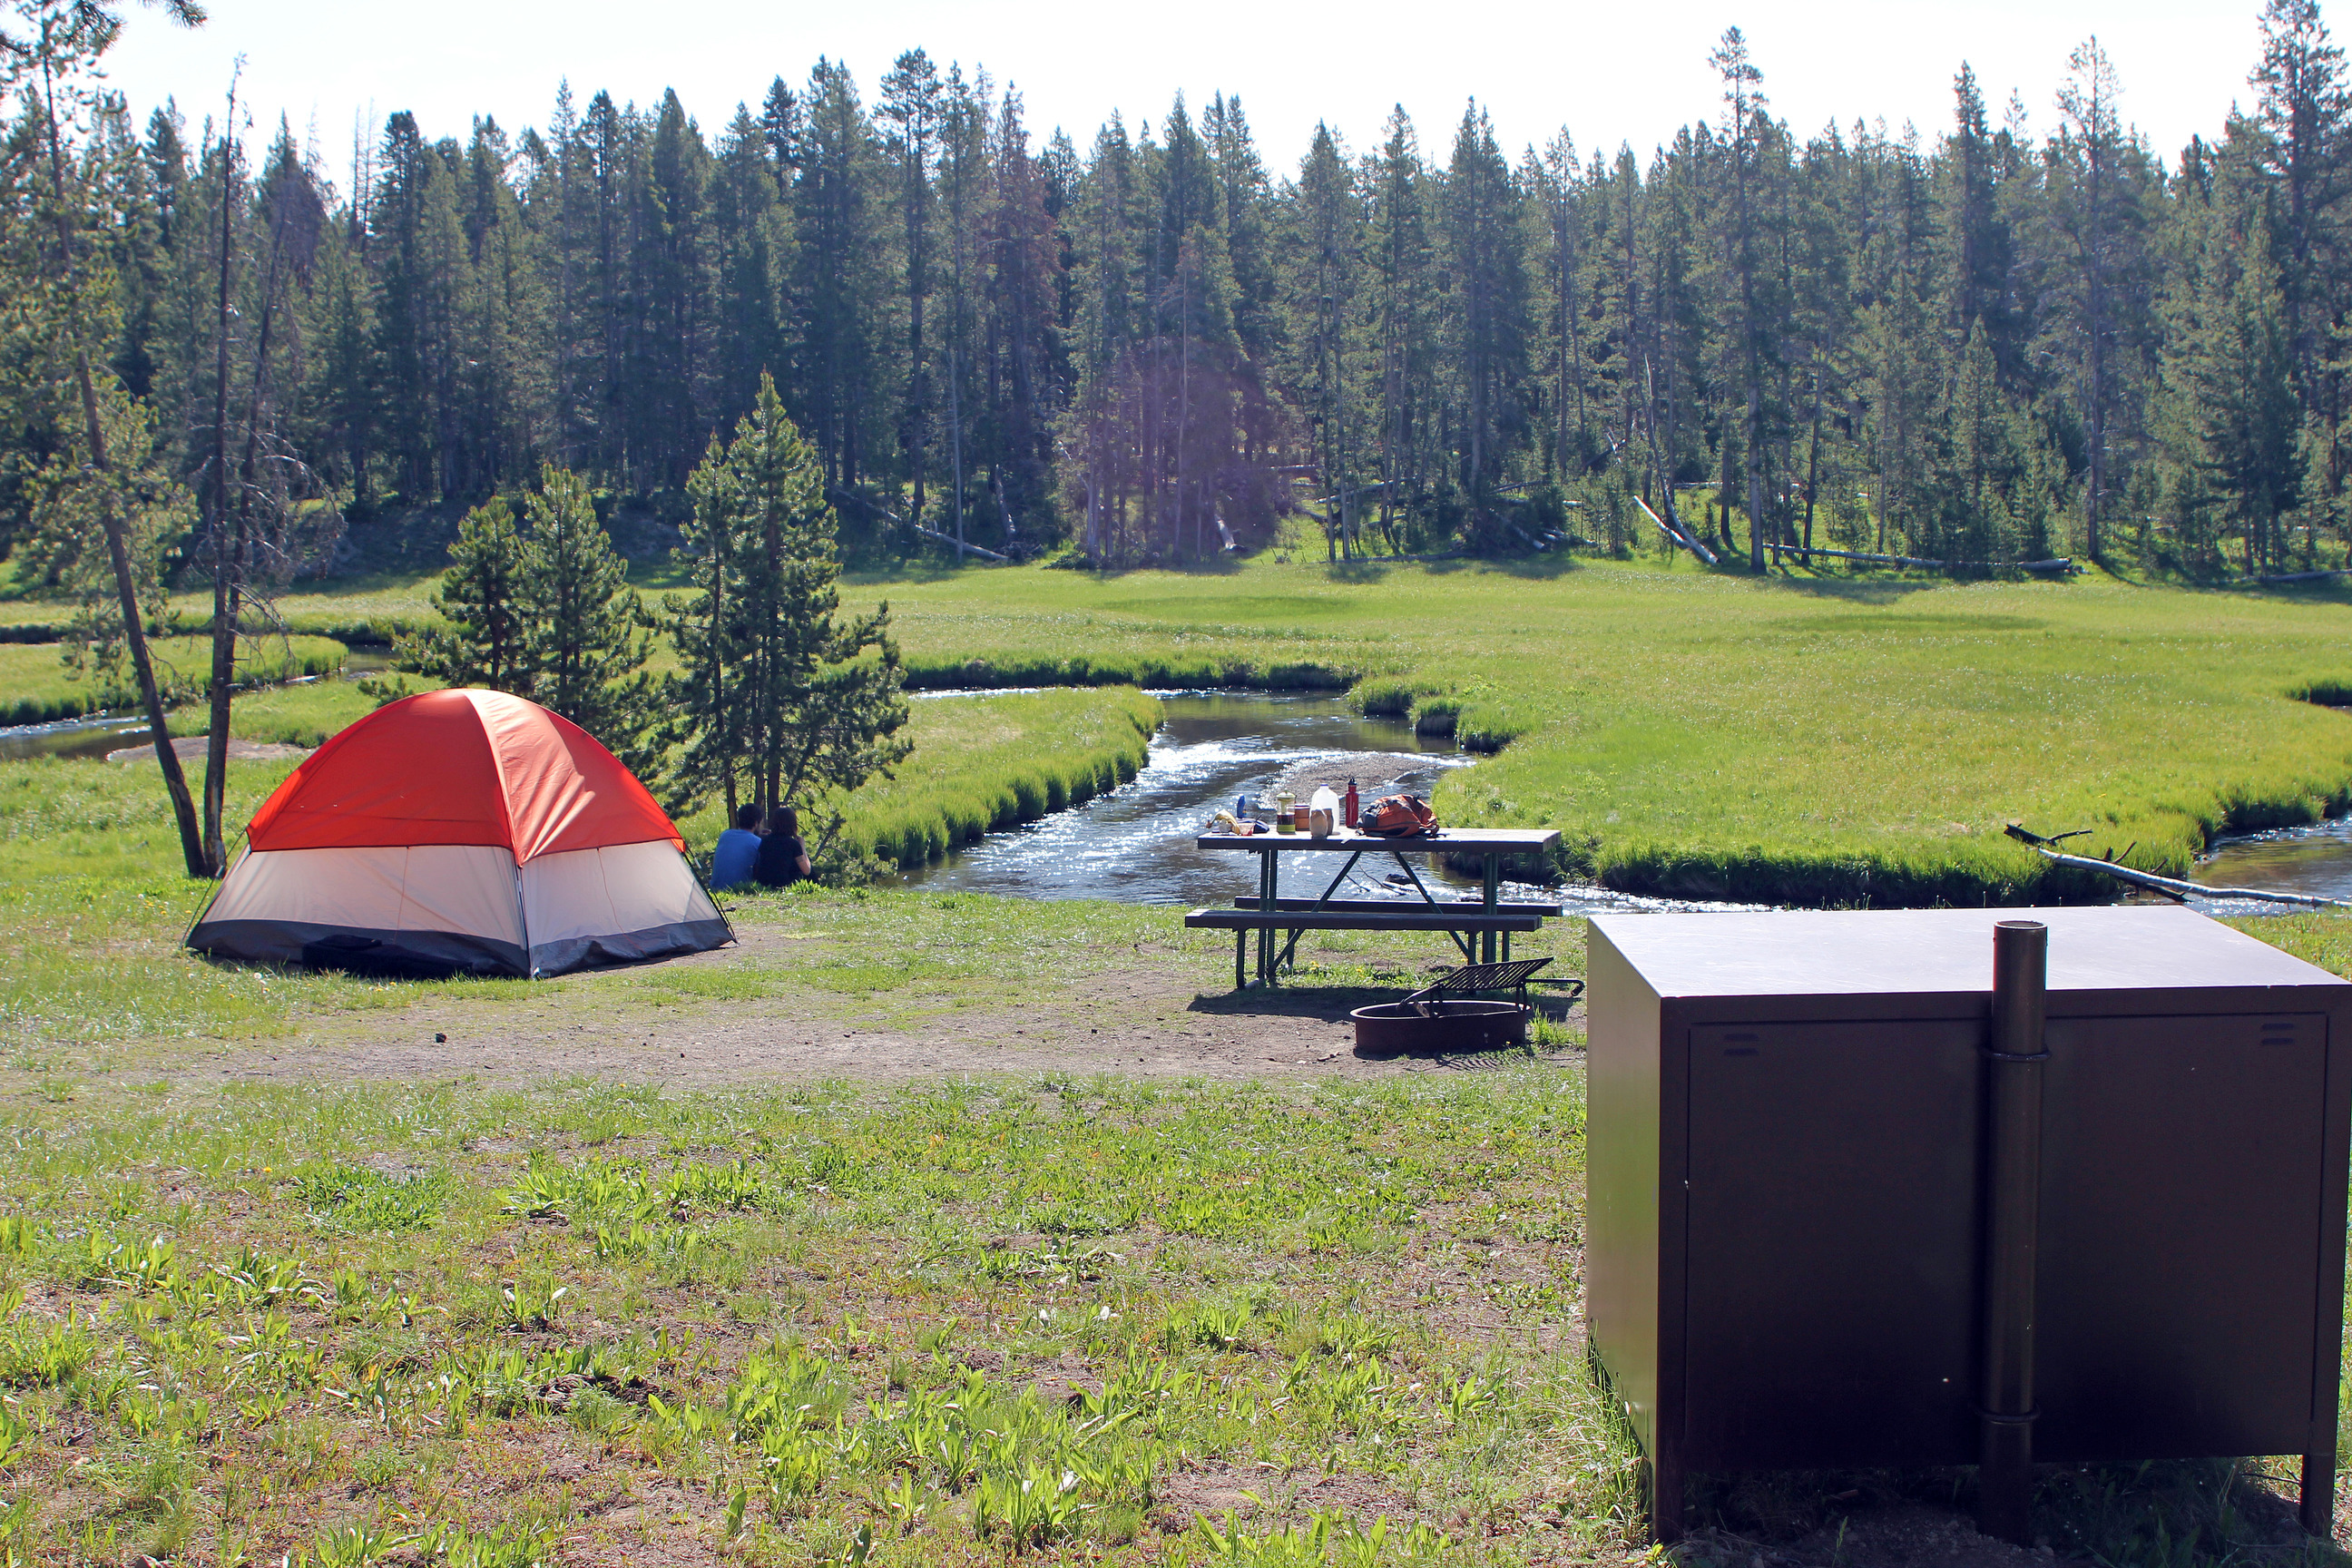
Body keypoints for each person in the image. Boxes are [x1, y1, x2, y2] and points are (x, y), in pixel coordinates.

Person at [710, 803, 765, 890]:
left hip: (716, 888)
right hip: (738, 889)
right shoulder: (757, 842)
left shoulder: (725, 835)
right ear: (755, 823)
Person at [755, 804, 811, 887]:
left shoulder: (765, 841)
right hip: (784, 884)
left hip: (765, 884)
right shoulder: (793, 844)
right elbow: (807, 870)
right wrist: (802, 846)